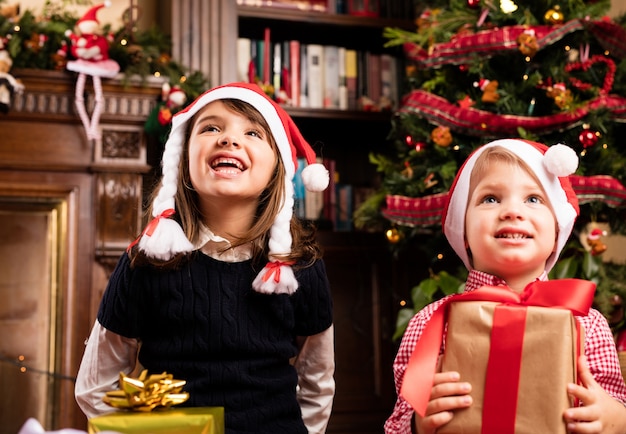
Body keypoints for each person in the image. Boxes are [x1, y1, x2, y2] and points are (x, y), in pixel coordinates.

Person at [75, 82, 335, 434]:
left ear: (278, 168)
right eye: (211, 127)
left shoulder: (302, 266)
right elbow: (95, 385)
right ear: (182, 158)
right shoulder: (146, 260)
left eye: (253, 132)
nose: (228, 139)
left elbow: (317, 380)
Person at [384, 138, 626, 434]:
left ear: (557, 232)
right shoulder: (431, 323)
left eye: (534, 199)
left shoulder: (586, 322)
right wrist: (419, 423)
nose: (512, 211)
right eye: (490, 199)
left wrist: (614, 419)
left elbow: (615, 403)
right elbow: (398, 423)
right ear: (464, 230)